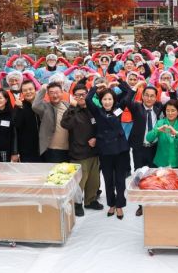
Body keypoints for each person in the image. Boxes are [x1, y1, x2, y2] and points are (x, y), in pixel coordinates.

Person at [86, 81, 131, 220]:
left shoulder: (118, 109)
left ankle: (119, 206)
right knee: (108, 179)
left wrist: (119, 82)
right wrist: (97, 87)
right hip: (105, 151)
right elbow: (88, 99)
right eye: (104, 99)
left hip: (120, 150)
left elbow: (129, 93)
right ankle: (111, 204)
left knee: (120, 180)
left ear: (113, 100)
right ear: (101, 101)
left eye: (109, 99)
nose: (107, 102)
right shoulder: (97, 111)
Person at [61, 84, 103, 217]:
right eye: (77, 95)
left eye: (83, 94)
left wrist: (97, 138)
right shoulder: (73, 111)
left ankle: (90, 200)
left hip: (94, 152)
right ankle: (77, 203)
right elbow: (65, 124)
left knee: (94, 180)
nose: (80, 97)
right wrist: (72, 107)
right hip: (79, 153)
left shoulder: (93, 109)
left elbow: (102, 127)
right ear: (74, 97)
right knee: (80, 181)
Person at [126, 84, 164, 185]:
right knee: (139, 173)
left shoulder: (158, 107)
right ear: (142, 96)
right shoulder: (136, 107)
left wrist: (171, 89)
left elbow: (173, 103)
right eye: (146, 95)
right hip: (139, 147)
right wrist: (136, 87)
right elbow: (127, 101)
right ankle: (139, 197)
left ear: (156, 98)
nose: (149, 98)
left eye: (152, 96)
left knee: (154, 173)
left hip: (154, 147)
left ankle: (152, 195)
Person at [145, 99, 178, 169]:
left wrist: (176, 133)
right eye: (167, 110)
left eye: (173, 110)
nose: (170, 113)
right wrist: (157, 130)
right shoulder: (160, 123)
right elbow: (148, 138)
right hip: (162, 162)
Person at [33, 82, 70, 162]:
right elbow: (35, 106)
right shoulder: (45, 107)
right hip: (52, 151)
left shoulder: (68, 106)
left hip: (69, 150)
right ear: (48, 95)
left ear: (62, 92)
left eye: (57, 92)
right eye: (51, 93)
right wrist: (42, 90)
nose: (55, 95)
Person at [12, 79, 41, 163]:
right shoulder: (19, 106)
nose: (28, 92)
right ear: (22, 93)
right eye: (25, 90)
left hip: (43, 147)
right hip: (26, 149)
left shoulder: (42, 104)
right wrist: (21, 109)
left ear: (35, 90)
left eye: (30, 89)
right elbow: (16, 124)